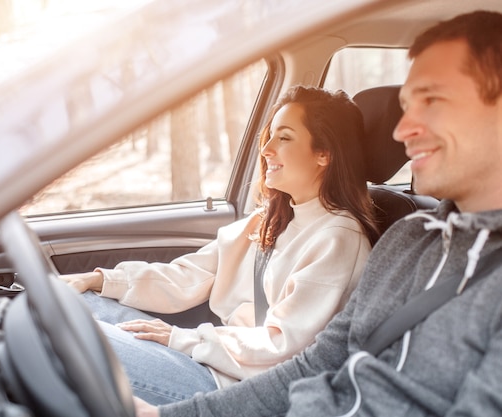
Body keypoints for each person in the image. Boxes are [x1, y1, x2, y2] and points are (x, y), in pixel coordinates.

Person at [134, 9, 502, 417]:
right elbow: (315, 366)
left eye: (432, 99)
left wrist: (183, 343)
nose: (401, 131)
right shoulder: (410, 238)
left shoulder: (345, 235)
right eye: (405, 107)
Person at [62, 85, 378, 405]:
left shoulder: (338, 239)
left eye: (284, 137)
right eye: (269, 136)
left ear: (324, 154)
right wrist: (100, 279)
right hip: (210, 358)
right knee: (74, 302)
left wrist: (182, 339)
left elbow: (283, 347)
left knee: (65, 335)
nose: (266, 149)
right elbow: (190, 274)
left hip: (233, 388)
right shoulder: (272, 217)